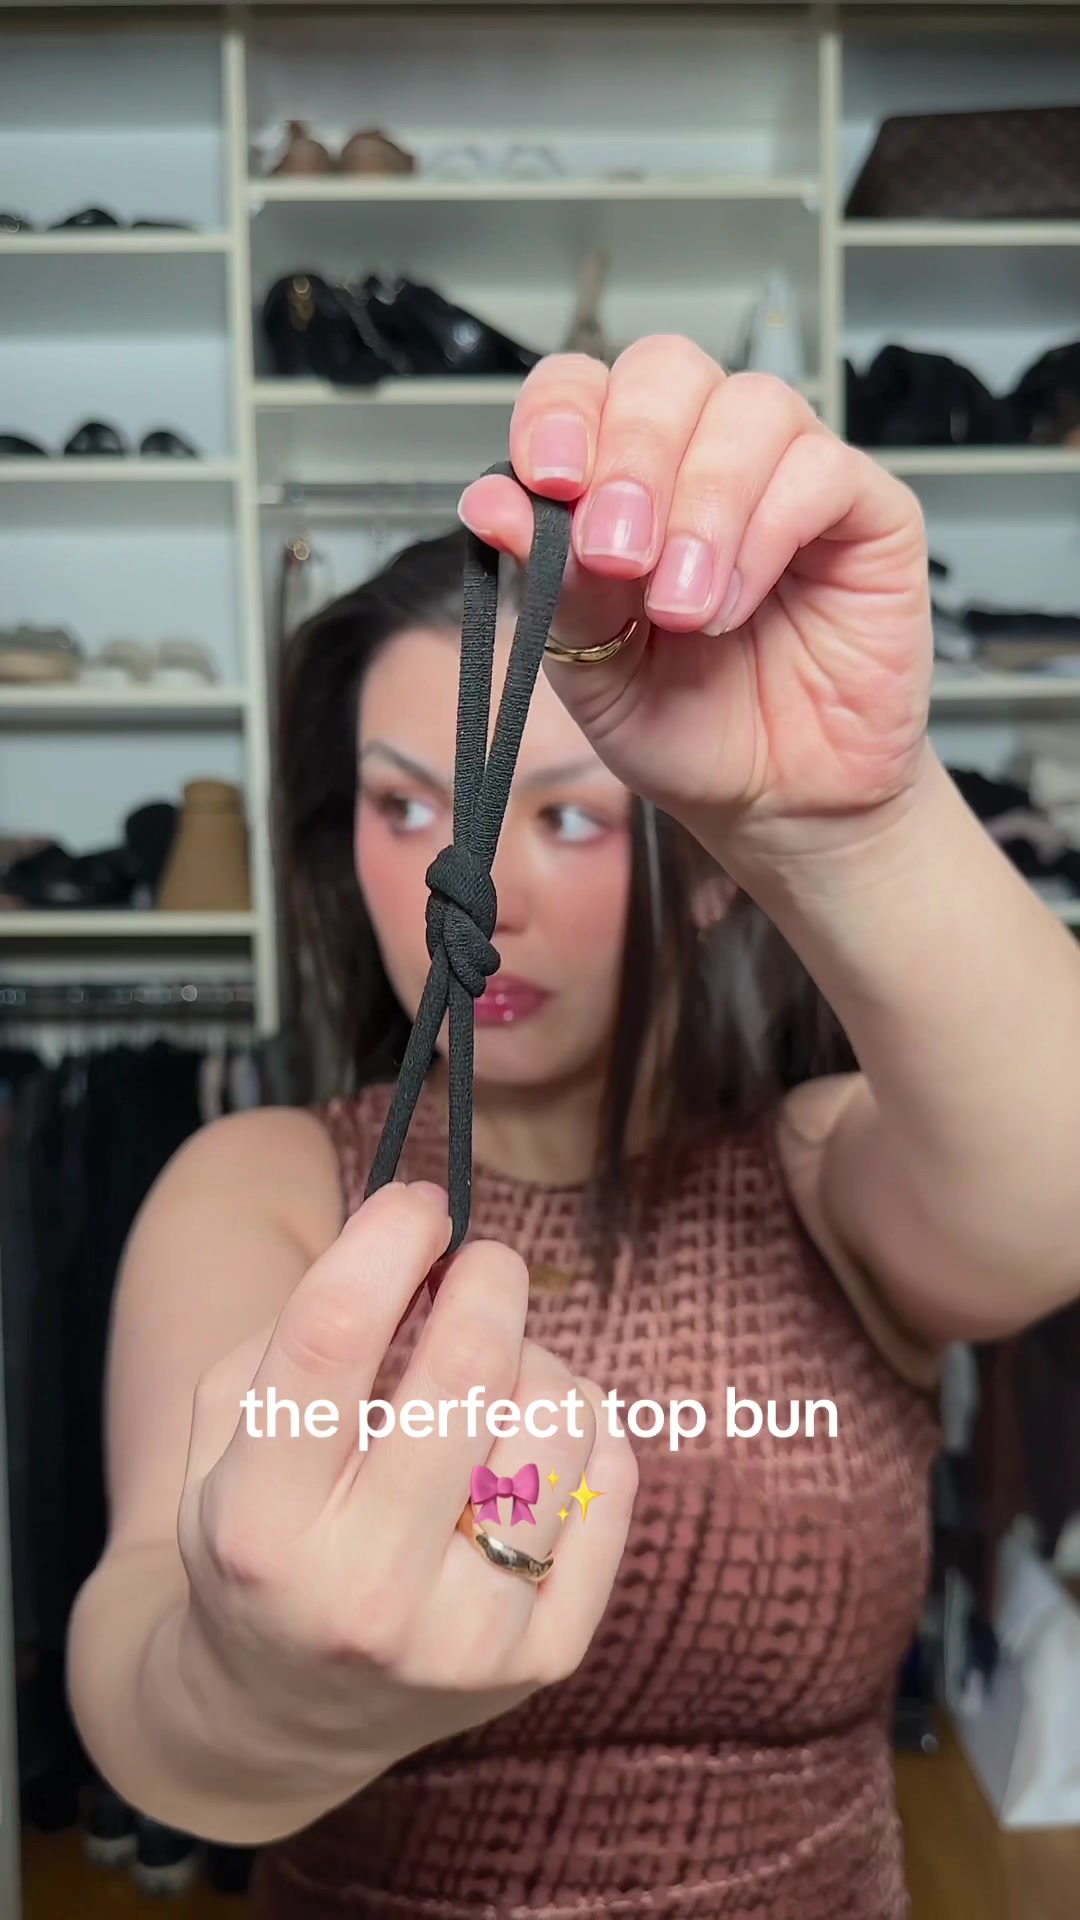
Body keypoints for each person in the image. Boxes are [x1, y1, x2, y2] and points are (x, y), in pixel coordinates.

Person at [67, 337, 1080, 1919]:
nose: (485, 888)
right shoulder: (263, 1186)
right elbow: (139, 1653)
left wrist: (856, 825)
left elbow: (1052, 1191)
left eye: (573, 814)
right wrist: (255, 1704)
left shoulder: (823, 1175)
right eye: (409, 806)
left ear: (703, 865)